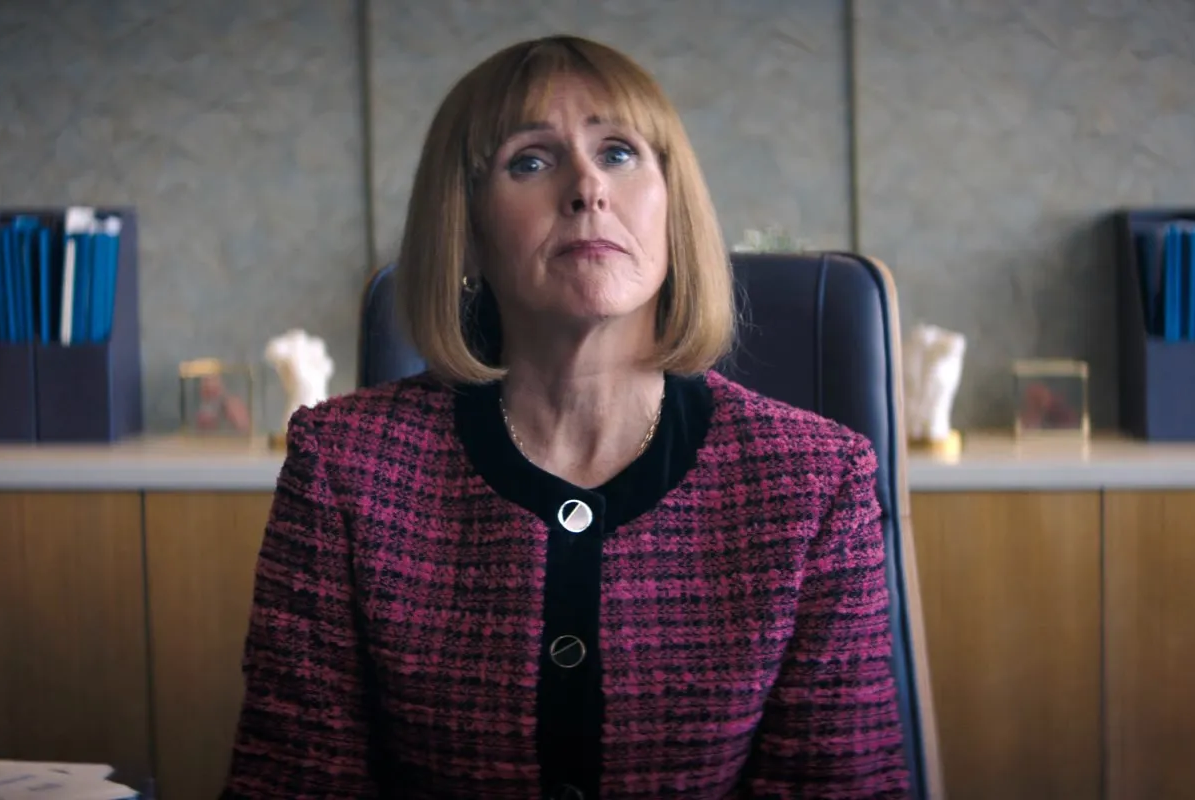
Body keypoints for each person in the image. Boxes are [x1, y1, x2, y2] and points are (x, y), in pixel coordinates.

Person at [224, 35, 910, 799]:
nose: (588, 188)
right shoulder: (341, 467)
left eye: (618, 153)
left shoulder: (815, 482)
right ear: (468, 230)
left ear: (672, 210)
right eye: (530, 161)